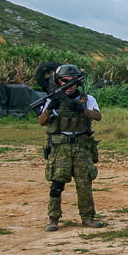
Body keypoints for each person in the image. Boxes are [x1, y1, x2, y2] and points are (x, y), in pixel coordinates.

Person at [39, 64, 104, 230]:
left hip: (82, 146)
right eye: (64, 81)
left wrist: (82, 109)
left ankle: (88, 217)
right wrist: (51, 107)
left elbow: (97, 116)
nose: (69, 85)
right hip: (60, 148)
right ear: (58, 81)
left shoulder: (87, 99)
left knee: (84, 184)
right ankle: (53, 218)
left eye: (72, 82)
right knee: (57, 184)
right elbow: (42, 121)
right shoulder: (52, 99)